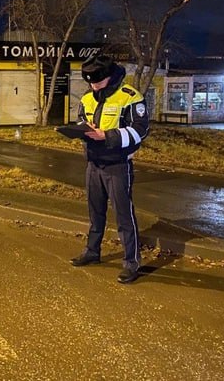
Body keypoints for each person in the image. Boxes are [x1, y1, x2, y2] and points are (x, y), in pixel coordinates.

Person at [70, 53, 149, 284]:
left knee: (124, 216)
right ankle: (92, 252)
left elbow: (140, 130)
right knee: (95, 214)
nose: (93, 86)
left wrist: (106, 135)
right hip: (93, 163)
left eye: (97, 81)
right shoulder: (87, 97)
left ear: (110, 76)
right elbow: (81, 120)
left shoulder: (130, 97)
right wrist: (82, 129)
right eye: (90, 82)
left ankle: (132, 263)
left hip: (117, 165)